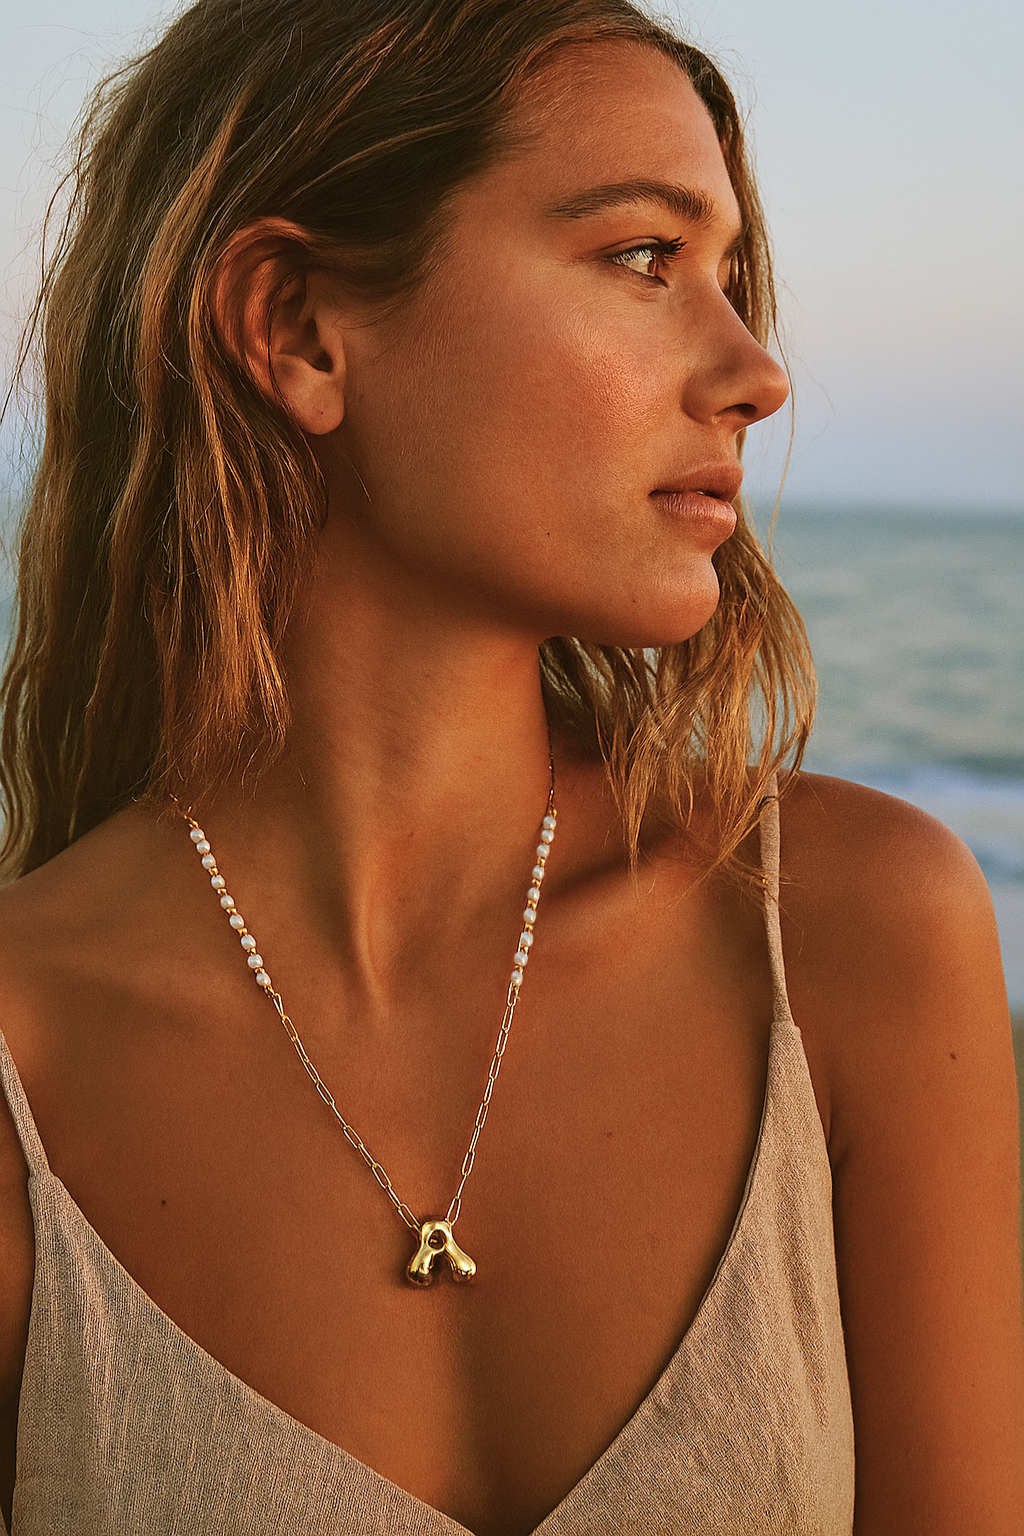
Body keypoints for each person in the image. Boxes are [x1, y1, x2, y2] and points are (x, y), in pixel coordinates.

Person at [0, 0, 1021, 1530]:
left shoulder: (847, 935)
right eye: (642, 259)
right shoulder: (27, 1052)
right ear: (297, 326)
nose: (755, 370)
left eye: (731, 276)